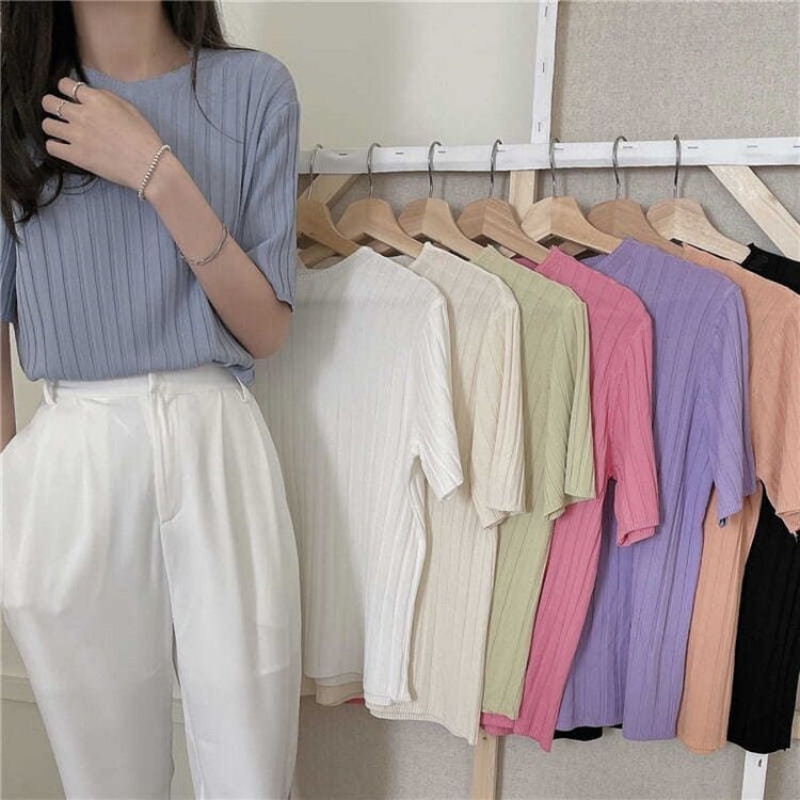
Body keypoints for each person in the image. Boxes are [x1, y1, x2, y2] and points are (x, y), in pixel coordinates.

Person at [0, 1, 302, 797]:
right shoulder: (11, 106)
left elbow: (265, 329)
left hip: (215, 439)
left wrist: (155, 172)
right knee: (106, 783)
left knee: (250, 772)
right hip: (72, 458)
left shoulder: (256, 90)